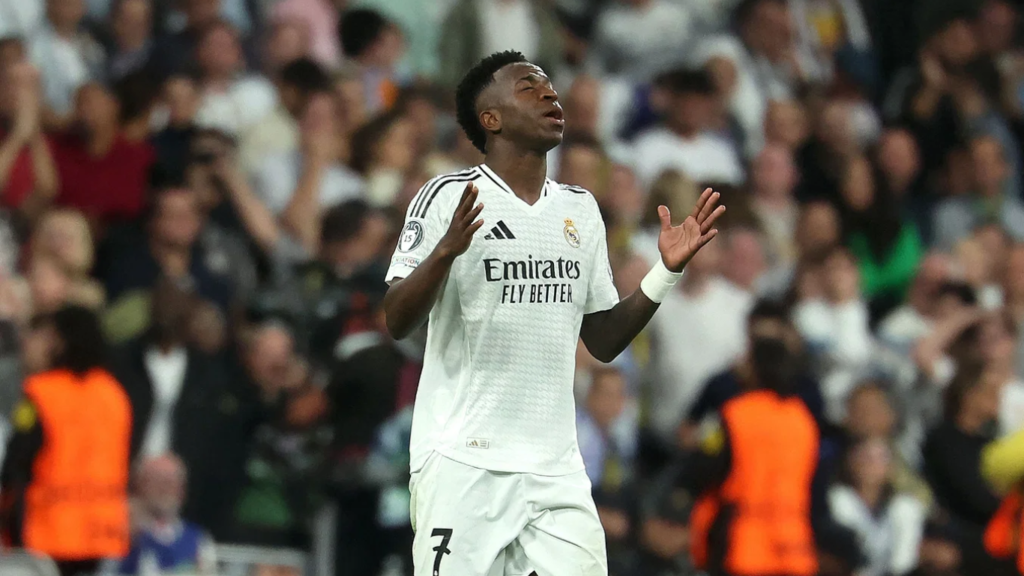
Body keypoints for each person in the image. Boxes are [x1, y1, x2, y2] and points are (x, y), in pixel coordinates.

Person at [382, 50, 725, 576]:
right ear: (491, 118)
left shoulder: (579, 209)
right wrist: (445, 252)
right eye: (529, 87)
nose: (549, 94)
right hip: (464, 461)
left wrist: (665, 272)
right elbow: (397, 318)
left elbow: (603, 340)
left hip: (555, 468)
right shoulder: (448, 196)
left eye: (549, 86)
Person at [684, 303, 820, 576]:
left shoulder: (736, 414)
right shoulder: (803, 420)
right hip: (793, 546)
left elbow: (703, 469)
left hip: (742, 544)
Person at [0, 305, 132, 576]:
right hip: (102, 533)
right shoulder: (114, 395)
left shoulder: (41, 392)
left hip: (48, 533)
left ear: (60, 342)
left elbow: (16, 464)